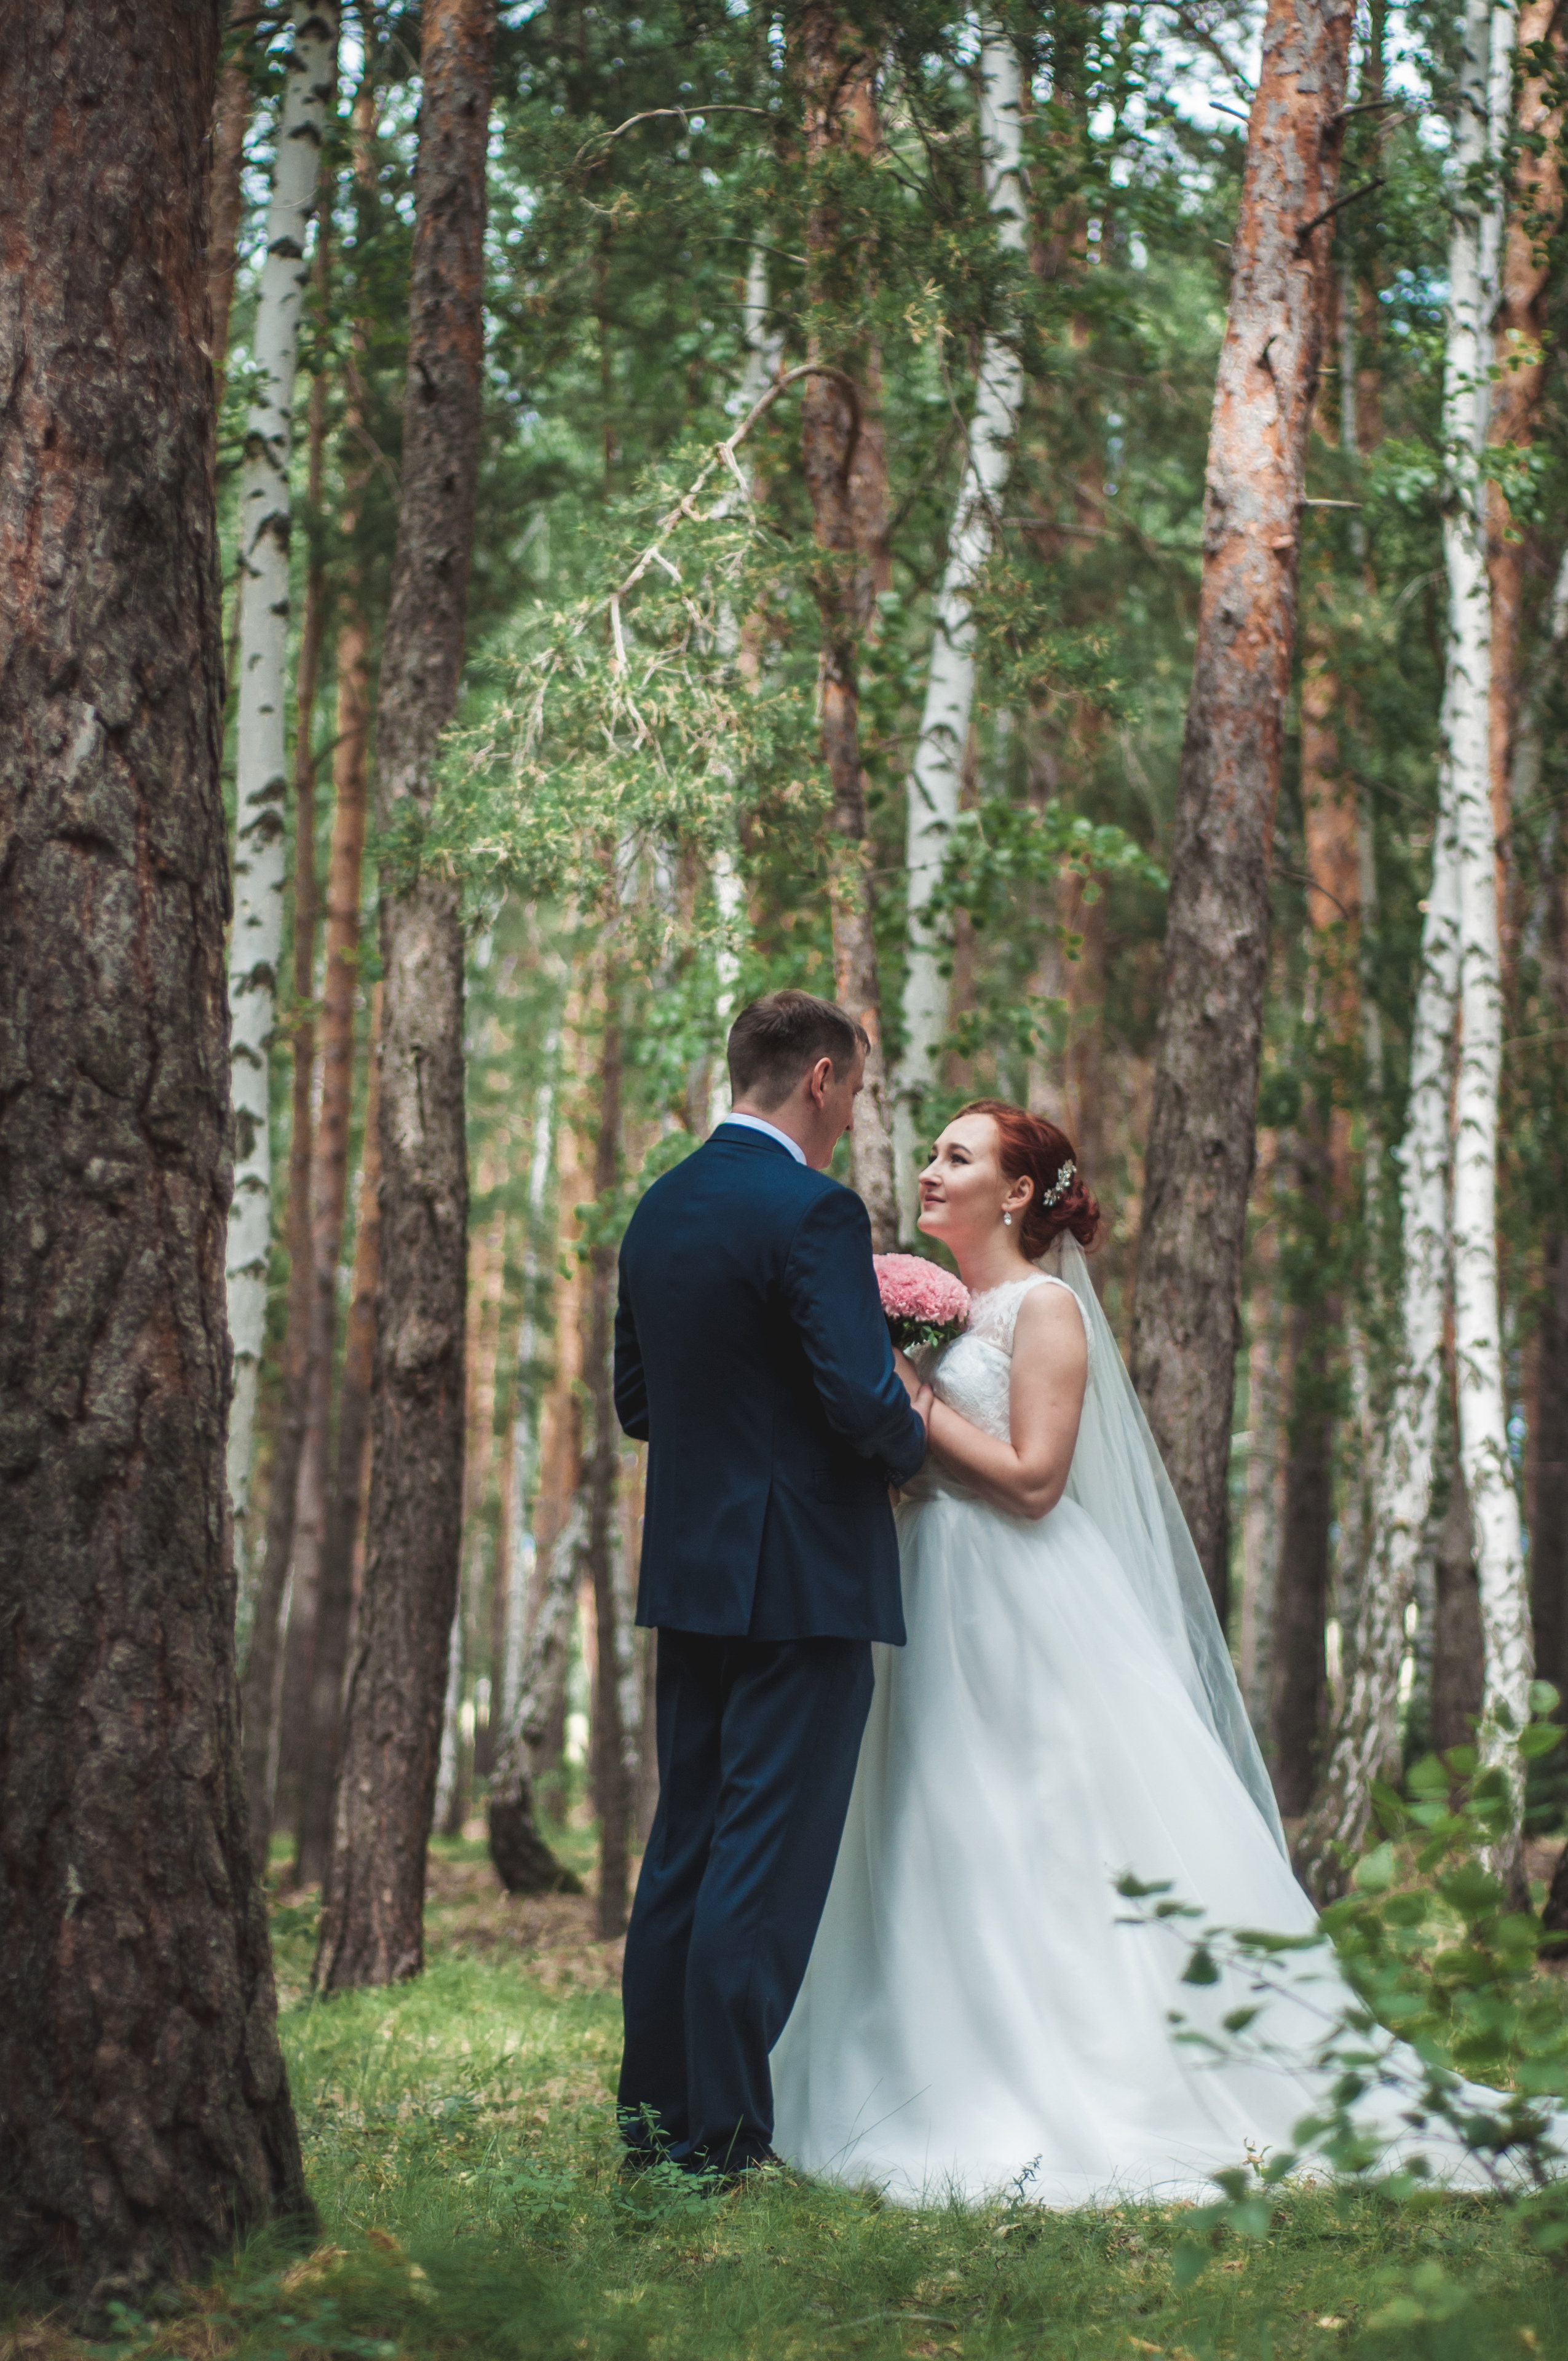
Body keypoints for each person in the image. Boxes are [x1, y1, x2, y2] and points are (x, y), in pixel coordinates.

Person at [770, 1099, 1509, 2206]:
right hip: (921, 1588)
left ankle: (1080, 2067)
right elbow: (915, 1467)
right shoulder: (942, 1310)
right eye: (932, 1153)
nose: (929, 1170)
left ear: (1018, 1194)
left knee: (1035, 1827)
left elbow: (1031, 1481)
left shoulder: (1044, 1310)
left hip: (1013, 1605)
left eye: (955, 1158)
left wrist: (914, 1404)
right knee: (933, 1824)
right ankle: (921, 2051)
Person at [612, 989, 931, 2183]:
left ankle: (654, 2131)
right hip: (804, 1578)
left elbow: (637, 1404)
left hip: (691, 1573)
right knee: (765, 1855)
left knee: (686, 1846)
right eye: (851, 1090)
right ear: (820, 1079)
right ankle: (727, 2140)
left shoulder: (659, 1210)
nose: (848, 1113)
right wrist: (911, 1459)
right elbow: (861, 1401)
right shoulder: (814, 1212)